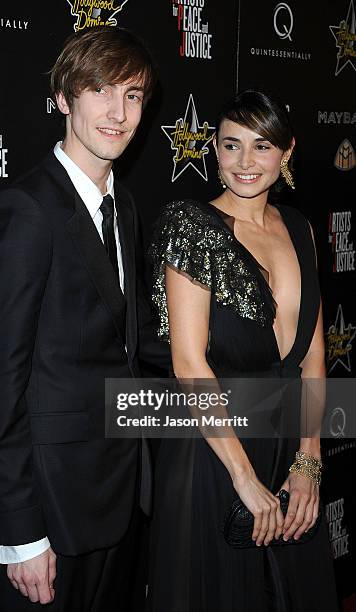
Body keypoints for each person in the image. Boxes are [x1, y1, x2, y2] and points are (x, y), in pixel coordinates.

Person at [0, 26, 169, 612]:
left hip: (125, 492)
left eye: (133, 95)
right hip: (52, 511)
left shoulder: (123, 205)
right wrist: (20, 531)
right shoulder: (27, 210)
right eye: (100, 89)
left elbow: (127, 349)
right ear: (63, 99)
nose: (117, 111)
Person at [147, 90, 339, 611]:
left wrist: (309, 459)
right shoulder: (193, 227)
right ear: (213, 148)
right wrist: (244, 478)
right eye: (231, 146)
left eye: (262, 146)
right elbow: (188, 364)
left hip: (286, 447)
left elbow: (313, 356)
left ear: (287, 151)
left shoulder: (299, 228)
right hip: (214, 455)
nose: (245, 163)